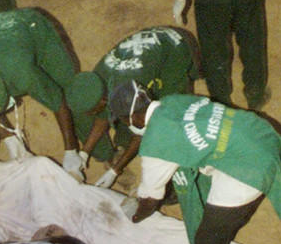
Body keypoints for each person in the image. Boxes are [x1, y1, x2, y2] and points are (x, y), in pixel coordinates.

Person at [111, 83, 281, 244]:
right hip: (260, 134)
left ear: (132, 117)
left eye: (124, 122)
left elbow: (148, 202)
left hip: (247, 169)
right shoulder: (174, 100)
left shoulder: (156, 144)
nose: (127, 127)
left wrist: (133, 216)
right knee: (186, 172)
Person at [0, 7, 81, 185]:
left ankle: (96, 150)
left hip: (30, 27)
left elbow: (57, 101)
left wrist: (71, 151)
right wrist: (9, 137)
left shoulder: (23, 72)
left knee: (70, 89)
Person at [64, 25, 202, 187]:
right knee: (125, 112)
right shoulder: (96, 80)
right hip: (153, 43)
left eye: (91, 111)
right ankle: (124, 144)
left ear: (102, 101)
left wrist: (115, 170)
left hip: (175, 49)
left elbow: (144, 128)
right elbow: (103, 116)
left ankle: (176, 175)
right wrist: (84, 153)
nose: (90, 115)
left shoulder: (125, 90)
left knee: (171, 116)